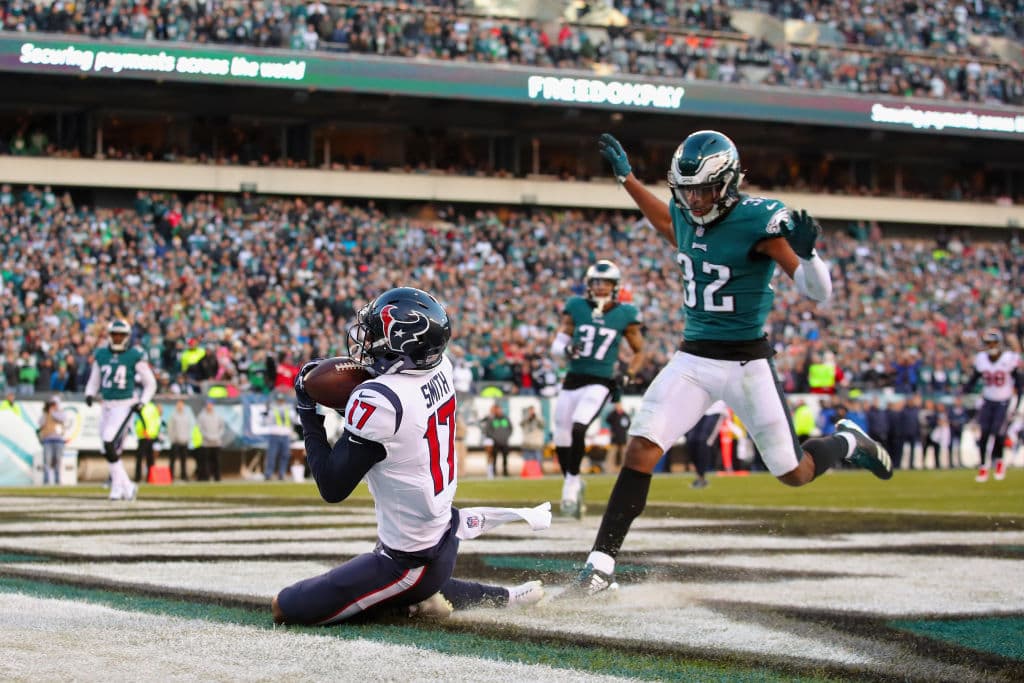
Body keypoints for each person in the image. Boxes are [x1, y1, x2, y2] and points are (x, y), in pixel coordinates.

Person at [568, 131, 894, 596]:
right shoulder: (685, 214)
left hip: (747, 364)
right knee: (641, 447)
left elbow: (817, 291)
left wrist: (810, 253)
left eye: (703, 190)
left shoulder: (758, 222)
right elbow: (667, 220)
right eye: (687, 191)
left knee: (794, 472)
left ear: (728, 182)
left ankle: (845, 442)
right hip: (693, 358)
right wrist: (627, 179)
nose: (694, 200)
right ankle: (600, 567)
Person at [272, 287, 547, 626]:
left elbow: (332, 486)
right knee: (413, 581)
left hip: (408, 561)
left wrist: (306, 408)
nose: (367, 341)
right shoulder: (441, 367)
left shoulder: (381, 402)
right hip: (442, 534)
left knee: (284, 606)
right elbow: (399, 409)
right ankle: (502, 597)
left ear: (402, 344)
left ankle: (411, 600)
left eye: (376, 334)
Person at [549, 259, 645, 518]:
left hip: (601, 380)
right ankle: (572, 479)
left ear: (615, 286)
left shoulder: (625, 314)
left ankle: (571, 482)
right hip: (573, 378)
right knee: (561, 435)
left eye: (606, 282)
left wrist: (630, 373)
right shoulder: (576, 307)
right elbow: (557, 344)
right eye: (596, 282)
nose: (601, 287)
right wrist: (567, 349)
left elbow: (639, 352)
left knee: (580, 425)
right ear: (589, 285)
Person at [84, 320, 157, 501]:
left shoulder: (134, 355)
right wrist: (89, 393)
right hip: (106, 404)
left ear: (127, 336)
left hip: (124, 405)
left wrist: (143, 401)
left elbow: (151, 383)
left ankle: (119, 486)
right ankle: (125, 486)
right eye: (114, 334)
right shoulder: (101, 354)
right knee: (106, 448)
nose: (117, 338)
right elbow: (95, 379)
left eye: (120, 335)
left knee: (109, 442)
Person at [962, 329, 1022, 482]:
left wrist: (1017, 402)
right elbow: (974, 379)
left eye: (993, 342)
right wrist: (963, 391)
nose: (991, 345)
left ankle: (999, 462)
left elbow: (1019, 381)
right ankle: (983, 467)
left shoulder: (1008, 358)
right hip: (988, 400)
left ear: (999, 343)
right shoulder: (982, 358)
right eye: (988, 343)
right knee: (984, 434)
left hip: (1004, 400)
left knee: (998, 433)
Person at [261, 393, 295, 481]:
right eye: (279, 400)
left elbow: (293, 419)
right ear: (276, 400)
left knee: (285, 455)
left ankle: (281, 474)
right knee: (272, 456)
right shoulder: (272, 408)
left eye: (282, 400)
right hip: (274, 434)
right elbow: (266, 421)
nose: (280, 401)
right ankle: (268, 474)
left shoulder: (289, 408)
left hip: (285, 435)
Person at [38, 396, 70, 485]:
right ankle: (46, 480)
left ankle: (57, 480)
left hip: (58, 440)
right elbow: (40, 423)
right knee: (47, 461)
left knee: (58, 461)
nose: (53, 405)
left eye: (54, 404)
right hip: (47, 440)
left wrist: (52, 412)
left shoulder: (61, 413)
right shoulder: (46, 414)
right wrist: (46, 412)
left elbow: (62, 419)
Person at [481, 402, 513, 478]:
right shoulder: (491, 419)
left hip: (504, 441)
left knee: (505, 458)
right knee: (494, 457)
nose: (498, 411)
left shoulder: (506, 418)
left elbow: (510, 428)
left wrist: (506, 436)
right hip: (495, 442)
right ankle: (494, 472)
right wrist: (494, 437)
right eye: (497, 410)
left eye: (499, 409)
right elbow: (488, 430)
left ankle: (505, 471)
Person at [197, 401, 226, 481]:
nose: (209, 407)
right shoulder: (202, 416)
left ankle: (217, 477)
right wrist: (207, 436)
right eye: (208, 405)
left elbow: (222, 428)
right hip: (206, 443)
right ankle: (206, 477)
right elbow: (200, 428)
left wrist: (217, 436)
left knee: (217, 461)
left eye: (210, 405)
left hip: (217, 442)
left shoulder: (218, 416)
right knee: (206, 462)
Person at [133, 401, 162, 483]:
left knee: (140, 458)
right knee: (150, 459)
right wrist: (154, 434)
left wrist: (144, 431)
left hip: (144, 435)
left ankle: (138, 478)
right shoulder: (153, 408)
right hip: (151, 436)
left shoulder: (142, 406)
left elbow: (140, 420)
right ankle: (150, 478)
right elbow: (156, 422)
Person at [167, 399, 194, 481]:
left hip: (184, 440)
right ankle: (170, 476)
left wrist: (188, 438)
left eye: (181, 404)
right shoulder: (173, 415)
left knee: (184, 460)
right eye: (178, 404)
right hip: (175, 441)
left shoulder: (187, 416)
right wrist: (172, 439)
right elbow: (170, 428)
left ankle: (184, 475)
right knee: (173, 460)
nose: (180, 406)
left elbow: (189, 428)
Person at [604, 403, 631, 472]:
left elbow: (628, 424)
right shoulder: (613, 414)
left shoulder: (625, 415)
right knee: (612, 453)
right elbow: (607, 419)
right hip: (614, 438)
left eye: (619, 406)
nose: (618, 407)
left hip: (622, 438)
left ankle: (623, 469)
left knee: (623, 454)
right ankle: (610, 469)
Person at [519, 404, 545, 469]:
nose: (531, 412)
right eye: (530, 411)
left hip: (536, 442)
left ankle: (538, 471)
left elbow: (543, 425)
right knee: (528, 459)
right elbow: (521, 424)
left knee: (538, 458)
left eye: (532, 411)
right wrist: (528, 417)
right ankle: (529, 471)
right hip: (527, 442)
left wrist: (536, 417)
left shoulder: (539, 418)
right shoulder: (525, 418)